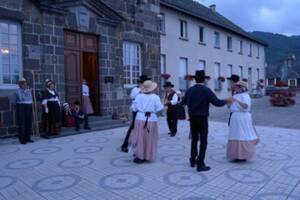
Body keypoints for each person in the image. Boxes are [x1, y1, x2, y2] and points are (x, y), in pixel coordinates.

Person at [182, 70, 233, 172]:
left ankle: (192, 160)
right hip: (202, 118)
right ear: (204, 80)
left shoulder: (190, 90)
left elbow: (183, 102)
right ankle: (200, 164)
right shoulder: (206, 90)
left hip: (192, 118)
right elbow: (217, 102)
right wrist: (227, 100)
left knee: (194, 139)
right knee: (203, 140)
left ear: (195, 79)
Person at [129, 80, 164, 163]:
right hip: (151, 118)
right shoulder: (155, 97)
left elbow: (133, 108)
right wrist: (152, 110)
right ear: (152, 88)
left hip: (140, 118)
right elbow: (160, 108)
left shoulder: (139, 96)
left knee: (139, 137)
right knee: (150, 138)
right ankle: (147, 156)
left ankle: (139, 156)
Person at [227, 81, 259, 162]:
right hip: (235, 117)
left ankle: (243, 155)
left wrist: (236, 101)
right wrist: (229, 102)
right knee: (235, 134)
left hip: (242, 117)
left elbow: (245, 106)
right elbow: (230, 106)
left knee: (242, 134)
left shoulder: (245, 96)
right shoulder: (235, 95)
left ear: (242, 88)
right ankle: (235, 155)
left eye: (237, 87)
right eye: (236, 86)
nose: (235, 88)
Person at [121, 75, 151, 152]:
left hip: (145, 111)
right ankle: (125, 145)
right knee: (132, 127)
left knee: (144, 128)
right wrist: (140, 91)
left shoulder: (147, 89)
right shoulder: (135, 89)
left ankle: (141, 145)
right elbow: (132, 97)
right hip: (137, 111)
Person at [15, 78, 34, 144]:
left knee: (28, 122)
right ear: (20, 85)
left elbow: (30, 99)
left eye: (25, 84)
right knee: (22, 123)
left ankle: (28, 137)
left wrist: (28, 92)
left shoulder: (28, 90)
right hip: (21, 107)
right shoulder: (18, 91)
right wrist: (24, 92)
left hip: (28, 106)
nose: (25, 85)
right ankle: (22, 139)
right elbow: (21, 98)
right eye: (23, 84)